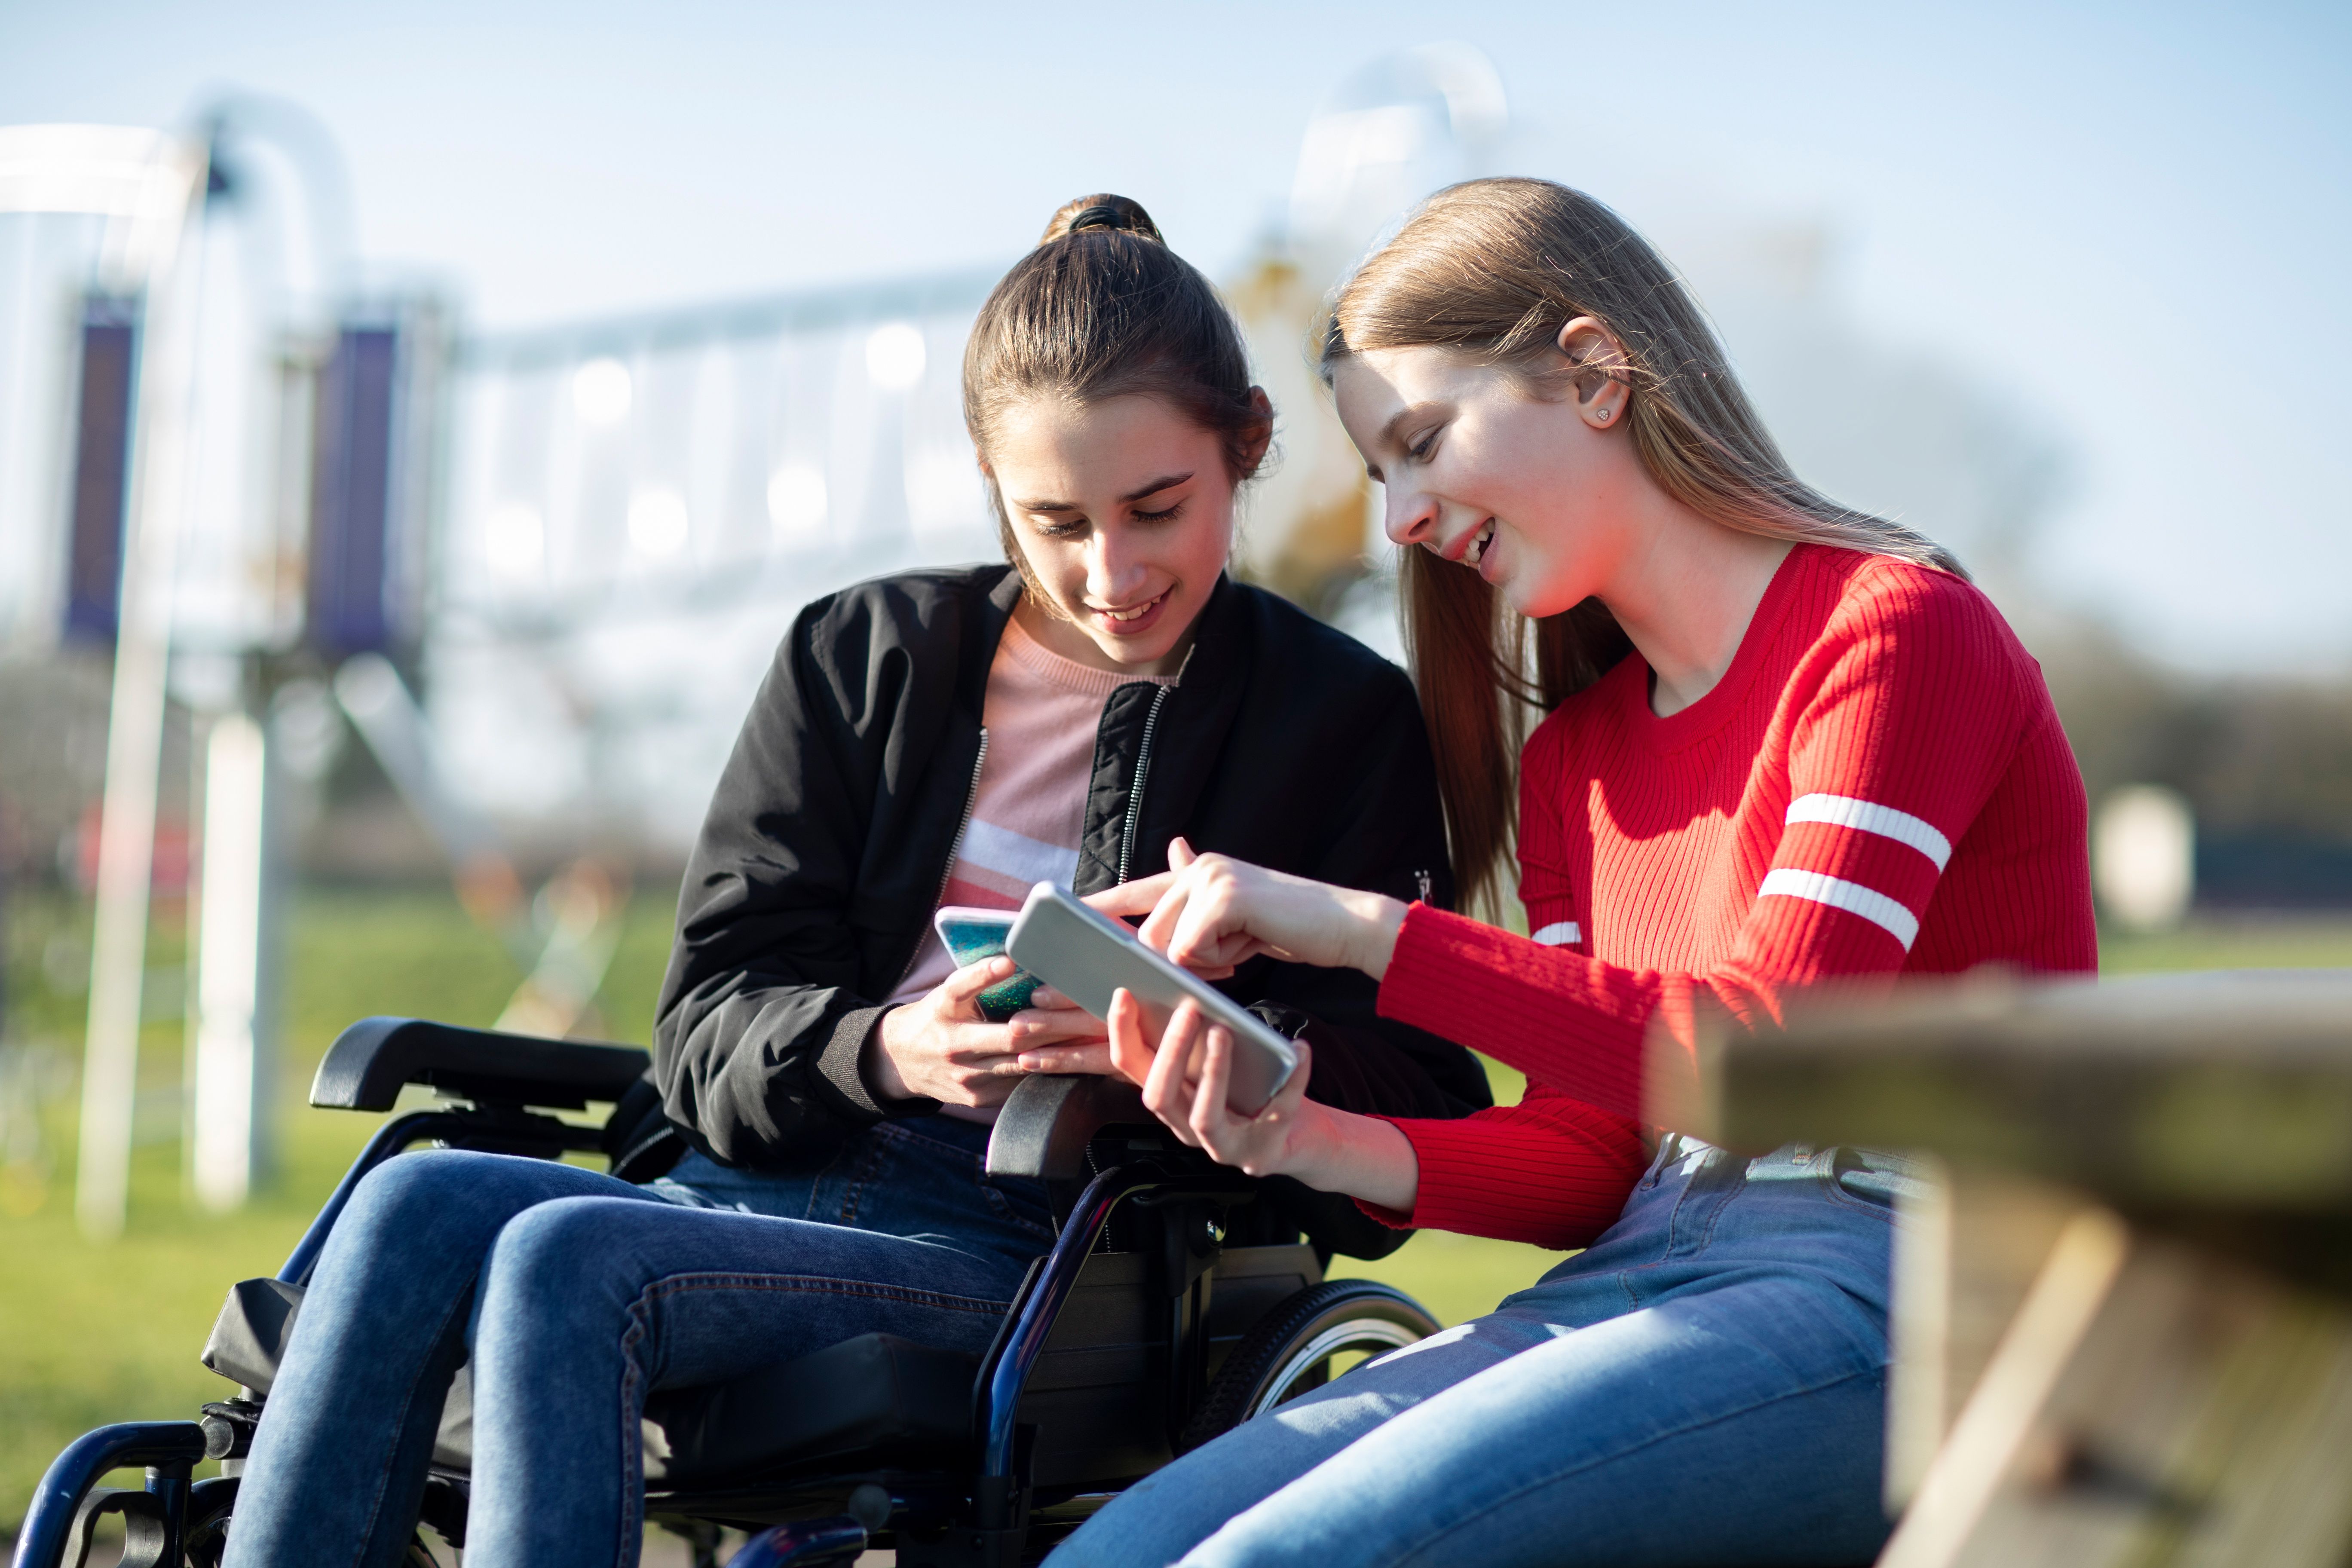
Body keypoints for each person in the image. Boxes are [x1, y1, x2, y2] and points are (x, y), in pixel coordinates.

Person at [222, 195, 1485, 1568]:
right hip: (737, 1184)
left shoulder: (1342, 722)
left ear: (1245, 448)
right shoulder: (857, 657)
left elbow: (1423, 1106)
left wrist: (1186, 1056)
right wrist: (886, 1048)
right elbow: (702, 1027)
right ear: (989, 482)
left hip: (1038, 1247)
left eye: (1157, 510)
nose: (1109, 573)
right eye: (1053, 520)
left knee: (561, 1258)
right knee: (413, 1197)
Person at [1049, 178, 2097, 1568]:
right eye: (1383, 476)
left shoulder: (1892, 632)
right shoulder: (1578, 763)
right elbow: (1597, 1161)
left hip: (1908, 1288)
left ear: (1596, 373)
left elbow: (1769, 1058)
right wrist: (1301, 1135)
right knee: (1113, 1554)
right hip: (1653, 1266)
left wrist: (1371, 932)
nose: (1405, 519)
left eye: (1423, 444)